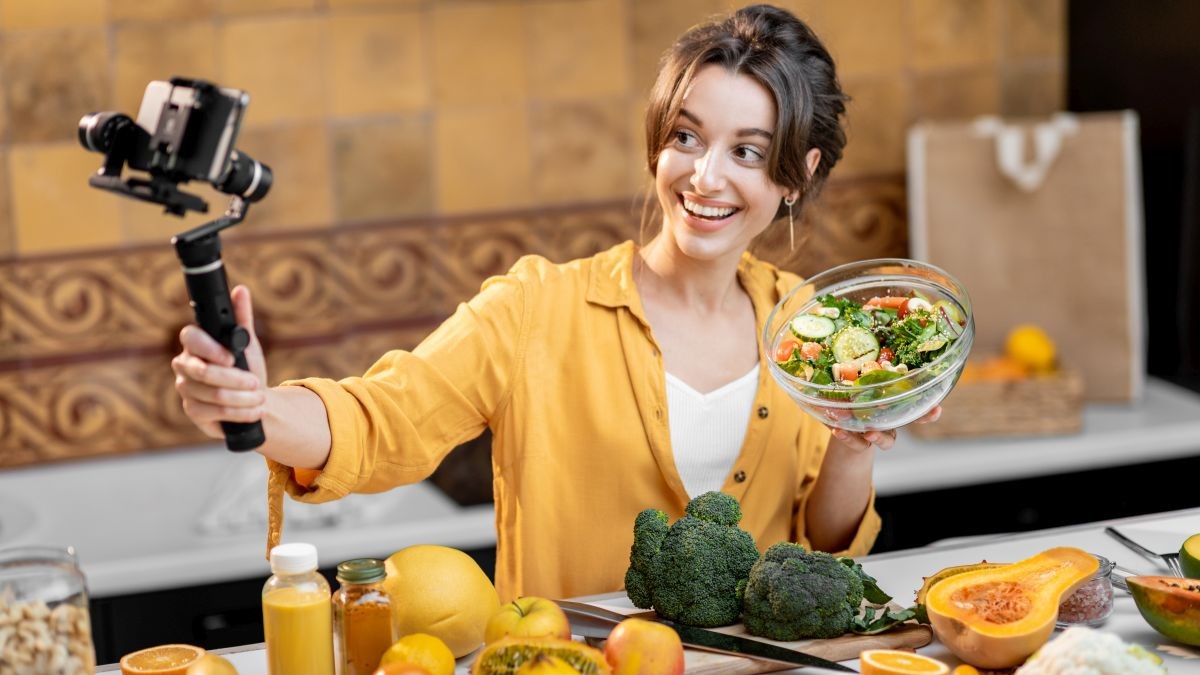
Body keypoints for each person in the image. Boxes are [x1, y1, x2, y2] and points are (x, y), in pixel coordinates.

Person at [172, 3, 938, 602]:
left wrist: (854, 439)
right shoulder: (537, 309)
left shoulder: (810, 327)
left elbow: (824, 545)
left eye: (746, 151)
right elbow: (383, 419)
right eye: (685, 136)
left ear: (796, 173)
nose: (705, 176)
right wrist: (256, 406)